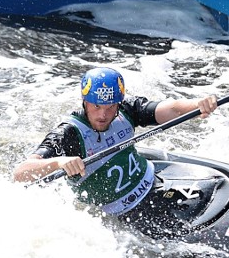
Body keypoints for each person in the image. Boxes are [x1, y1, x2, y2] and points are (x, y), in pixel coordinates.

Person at [13, 66, 218, 237]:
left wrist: (197, 104)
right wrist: (59, 162)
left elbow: (172, 109)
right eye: (96, 106)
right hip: (121, 212)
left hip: (154, 183)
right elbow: (21, 173)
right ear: (85, 101)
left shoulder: (126, 110)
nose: (103, 115)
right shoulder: (68, 134)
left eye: (110, 107)